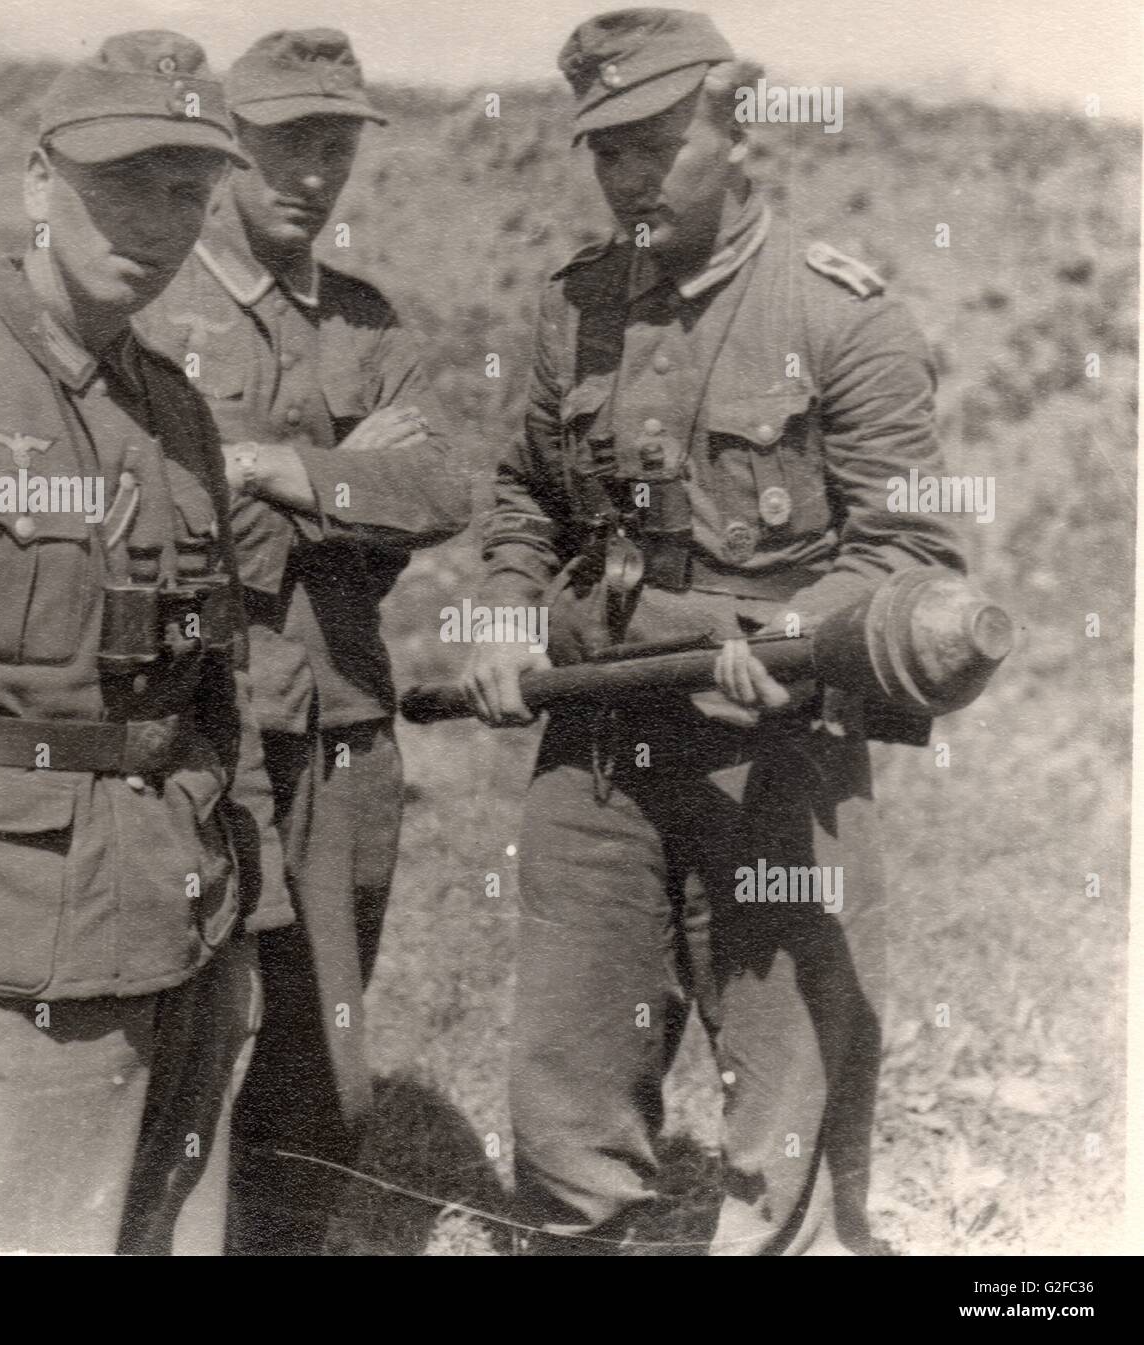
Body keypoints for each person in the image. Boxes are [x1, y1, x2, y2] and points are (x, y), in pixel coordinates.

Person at [463, 7, 965, 1254]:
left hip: (774, 747)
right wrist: (501, 610)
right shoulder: (572, 305)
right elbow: (525, 489)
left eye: (654, 143)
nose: (629, 177)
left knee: (784, 1082)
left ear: (735, 127)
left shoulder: (843, 317)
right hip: (596, 738)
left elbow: (908, 553)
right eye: (606, 152)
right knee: (567, 1071)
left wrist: (798, 635)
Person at [0, 30, 288, 1255]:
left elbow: (219, 691)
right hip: (0, 978)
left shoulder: (179, 409)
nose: (158, 220)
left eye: (189, 192)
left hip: (180, 936)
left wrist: (244, 932)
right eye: (126, 179)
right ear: (39, 179)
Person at [138, 28, 470, 1255]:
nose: (311, 173)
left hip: (338, 725)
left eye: (335, 146)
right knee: (180, 1013)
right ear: (229, 146)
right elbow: (146, 502)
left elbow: (440, 489)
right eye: (286, 143)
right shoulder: (151, 302)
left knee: (318, 1035)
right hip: (197, 712)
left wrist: (275, 469)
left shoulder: (368, 323)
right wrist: (341, 483)